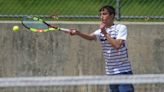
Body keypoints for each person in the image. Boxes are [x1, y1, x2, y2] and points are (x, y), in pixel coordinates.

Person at [67, 5, 134, 92]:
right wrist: (78, 33)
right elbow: (90, 37)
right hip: (110, 73)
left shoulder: (121, 28)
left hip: (123, 72)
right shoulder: (100, 32)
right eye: (100, 14)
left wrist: (105, 33)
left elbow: (117, 45)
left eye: (104, 14)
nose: (101, 17)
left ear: (112, 15)